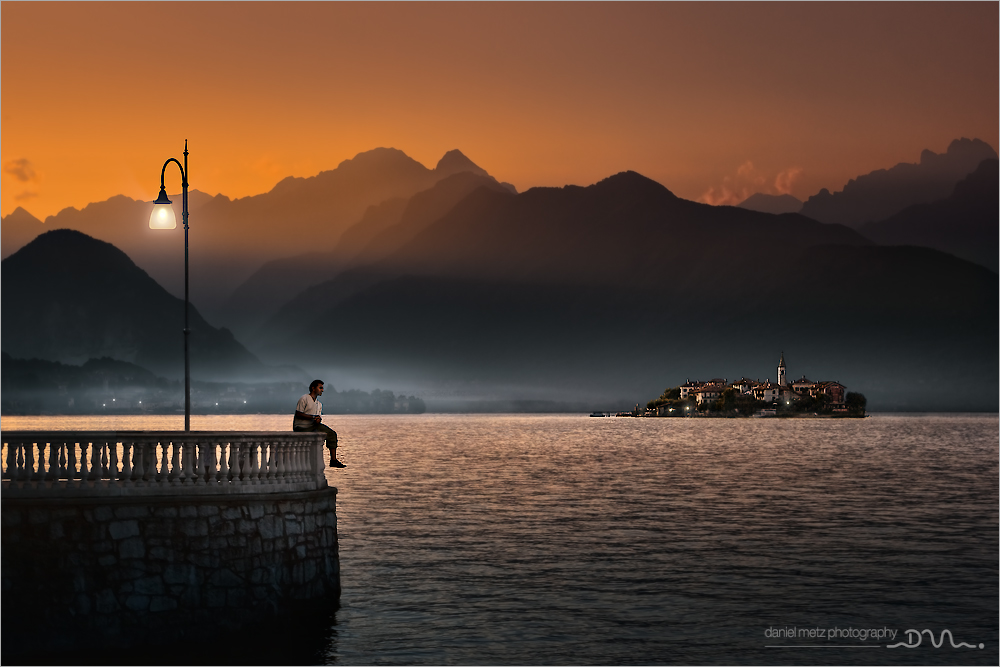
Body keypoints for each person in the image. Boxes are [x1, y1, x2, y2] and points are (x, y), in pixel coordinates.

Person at [293, 380, 346, 468]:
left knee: (332, 434)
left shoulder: (319, 404)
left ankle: (333, 460)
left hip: (312, 426)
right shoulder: (304, 398)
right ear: (313, 388)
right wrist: (313, 417)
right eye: (320, 388)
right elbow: (298, 414)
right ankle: (333, 460)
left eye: (322, 388)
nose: (322, 390)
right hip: (301, 427)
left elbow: (316, 417)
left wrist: (318, 419)